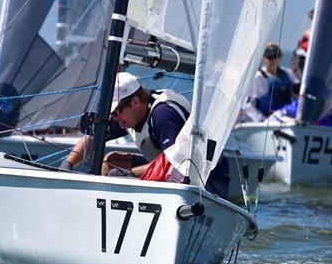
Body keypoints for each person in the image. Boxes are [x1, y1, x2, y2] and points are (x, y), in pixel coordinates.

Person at [59, 72, 230, 198]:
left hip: (206, 183)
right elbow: (95, 135)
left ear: (135, 102)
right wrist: (67, 164)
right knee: (111, 162)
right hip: (175, 173)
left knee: (119, 169)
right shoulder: (130, 114)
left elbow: (174, 164)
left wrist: (129, 174)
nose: (116, 118)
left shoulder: (163, 114)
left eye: (117, 112)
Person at [242, 42, 299, 122]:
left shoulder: (288, 73)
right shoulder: (258, 77)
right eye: (269, 56)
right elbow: (247, 104)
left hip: (287, 119)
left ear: (280, 57)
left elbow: (300, 92)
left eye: (275, 55)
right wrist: (260, 119)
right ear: (263, 58)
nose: (272, 59)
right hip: (267, 121)